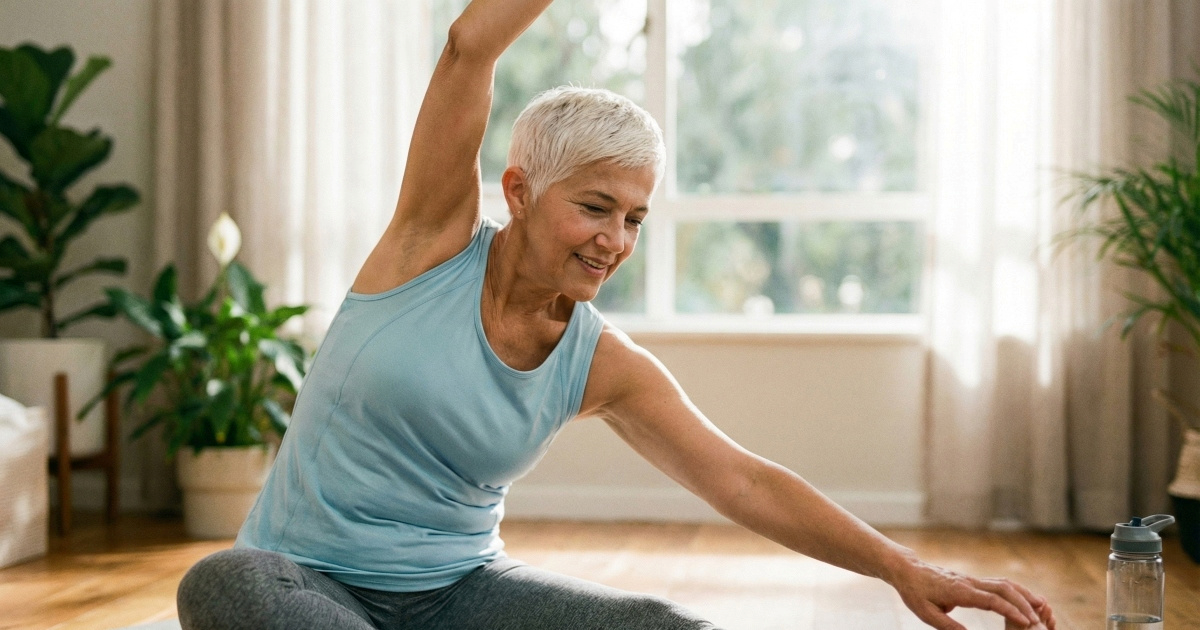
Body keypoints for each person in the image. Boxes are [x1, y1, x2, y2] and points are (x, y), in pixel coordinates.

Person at [176, 1, 1057, 629]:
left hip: (459, 597)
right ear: (518, 191)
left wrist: (905, 570)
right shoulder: (428, 247)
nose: (615, 240)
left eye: (635, 217)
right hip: (301, 587)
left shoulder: (600, 361)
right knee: (226, 582)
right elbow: (466, 50)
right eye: (595, 207)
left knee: (665, 626)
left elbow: (741, 481)